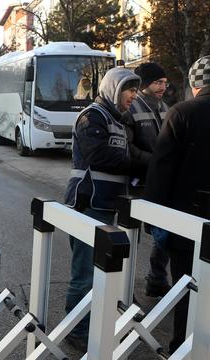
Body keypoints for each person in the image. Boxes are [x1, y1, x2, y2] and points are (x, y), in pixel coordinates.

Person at [63, 67, 143, 351]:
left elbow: (126, 156)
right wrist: (140, 163)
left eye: (135, 90)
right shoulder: (92, 116)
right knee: (84, 276)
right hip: (88, 206)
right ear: (114, 88)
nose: (133, 96)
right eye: (129, 90)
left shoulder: (119, 122)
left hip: (108, 207)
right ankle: (77, 330)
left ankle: (94, 325)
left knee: (102, 275)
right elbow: (99, 156)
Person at [144, 55, 210, 353]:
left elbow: (161, 171)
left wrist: (153, 218)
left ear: (195, 85)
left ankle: (184, 348)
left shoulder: (181, 113)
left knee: (188, 288)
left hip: (187, 224)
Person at [126, 62, 171, 298]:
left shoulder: (165, 107)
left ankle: (156, 279)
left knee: (163, 234)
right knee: (130, 235)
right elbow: (128, 147)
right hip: (137, 182)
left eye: (164, 82)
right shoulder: (131, 108)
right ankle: (123, 287)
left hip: (161, 180)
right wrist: (153, 160)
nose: (163, 86)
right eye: (158, 82)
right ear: (145, 84)